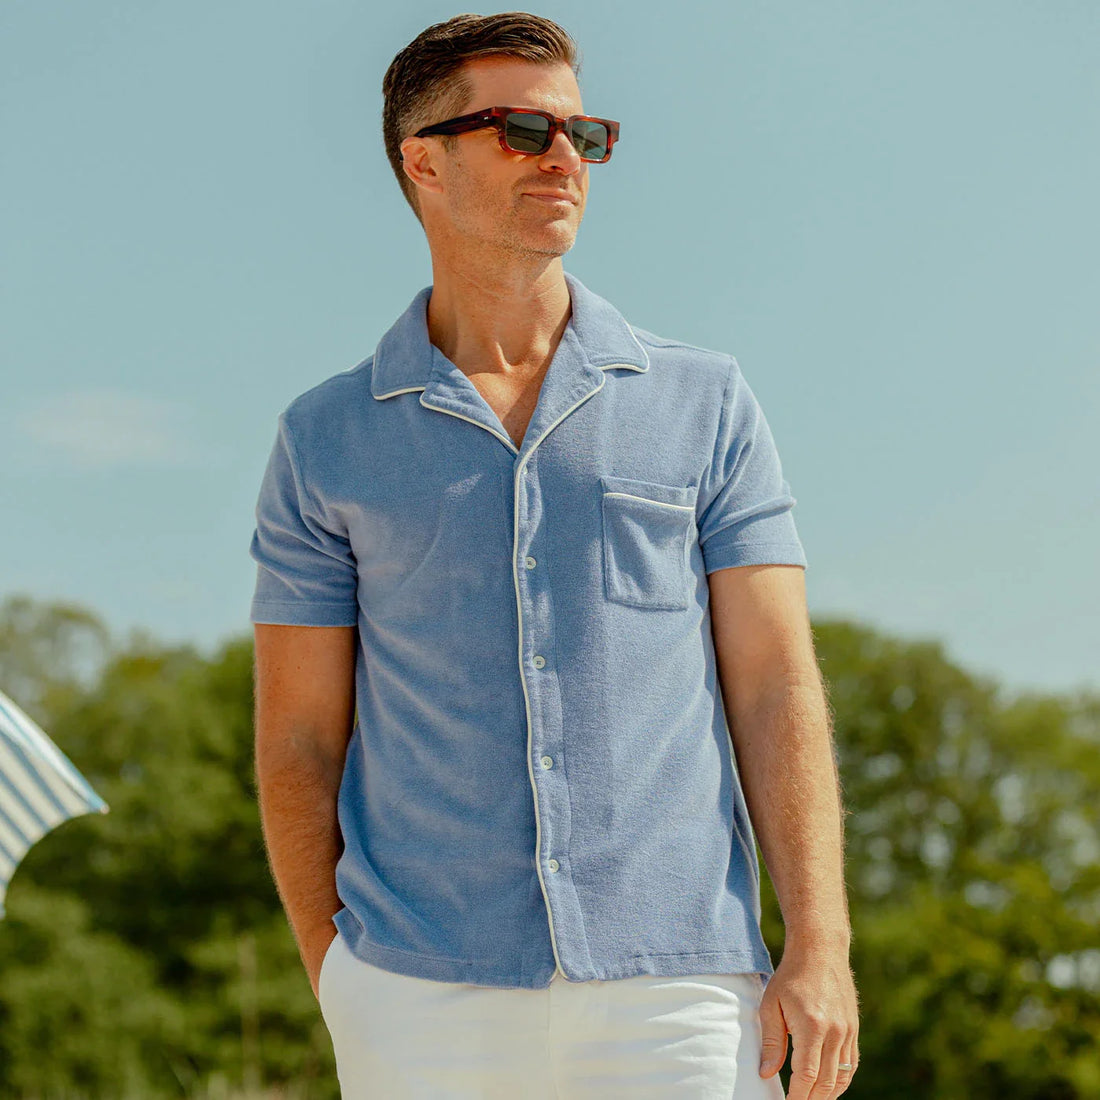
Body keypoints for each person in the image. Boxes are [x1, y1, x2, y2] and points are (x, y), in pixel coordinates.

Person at [249, 11, 859, 1099]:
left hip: (680, 985)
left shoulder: (704, 401)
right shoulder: (324, 437)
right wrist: (335, 969)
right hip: (416, 988)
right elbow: (297, 734)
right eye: (522, 130)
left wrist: (818, 945)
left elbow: (773, 685)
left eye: (584, 134)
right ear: (422, 160)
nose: (563, 158)